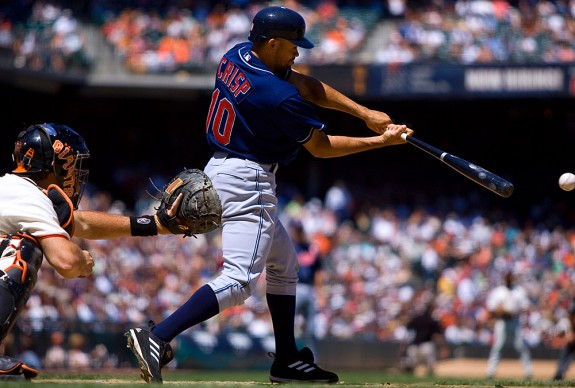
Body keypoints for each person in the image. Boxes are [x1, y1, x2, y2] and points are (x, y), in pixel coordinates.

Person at [125, 5, 413, 384]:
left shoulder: (236, 55)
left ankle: (288, 359)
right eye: (293, 45)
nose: (298, 52)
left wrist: (363, 111)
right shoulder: (276, 95)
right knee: (240, 280)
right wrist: (381, 141)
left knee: (285, 266)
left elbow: (307, 85)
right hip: (249, 179)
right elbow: (322, 148)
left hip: (224, 167)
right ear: (273, 42)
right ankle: (157, 336)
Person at [0, 123, 183, 380]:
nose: (74, 172)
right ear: (53, 164)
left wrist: (154, 225)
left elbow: (81, 222)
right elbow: (66, 261)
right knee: (24, 250)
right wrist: (83, 262)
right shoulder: (29, 199)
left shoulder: (15, 191)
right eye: (71, 164)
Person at [485, 271, 532, 380]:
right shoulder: (499, 291)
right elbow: (491, 306)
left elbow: (526, 306)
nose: (509, 280)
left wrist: (515, 310)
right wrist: (500, 310)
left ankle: (528, 372)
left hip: (515, 320)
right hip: (502, 321)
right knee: (498, 346)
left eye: (511, 278)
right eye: (507, 278)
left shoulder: (519, 291)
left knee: (520, 346)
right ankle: (490, 372)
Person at [401, 301, 448, 376]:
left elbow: (408, 334)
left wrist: (403, 346)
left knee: (410, 368)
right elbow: (437, 336)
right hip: (426, 347)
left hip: (414, 347)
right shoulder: (432, 321)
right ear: (431, 310)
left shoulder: (416, 319)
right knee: (431, 367)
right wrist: (443, 347)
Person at [552, 301, 575, 381]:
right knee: (564, 354)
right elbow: (559, 336)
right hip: (569, 344)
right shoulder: (566, 321)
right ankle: (559, 374)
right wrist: (567, 338)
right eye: (573, 314)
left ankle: (560, 374)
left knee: (570, 357)